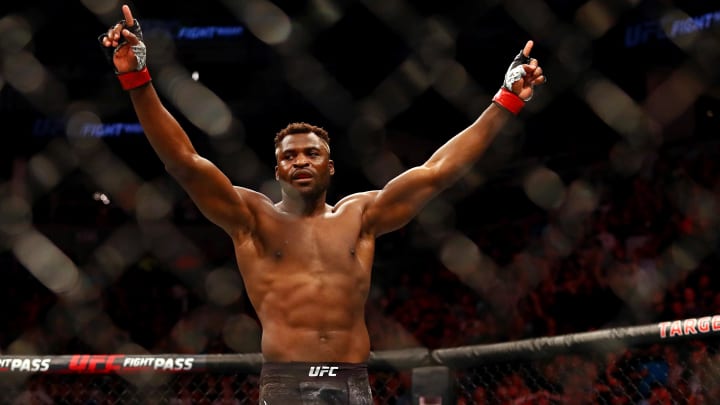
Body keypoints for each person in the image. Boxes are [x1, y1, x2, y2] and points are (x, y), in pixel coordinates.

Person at [99, 4, 546, 404]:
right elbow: (186, 163)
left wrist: (504, 102)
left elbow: (438, 171)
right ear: (276, 171)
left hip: (353, 381)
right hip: (285, 384)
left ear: (331, 167)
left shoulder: (362, 216)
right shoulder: (251, 219)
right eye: (289, 156)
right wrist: (137, 80)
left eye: (312, 153)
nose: (300, 161)